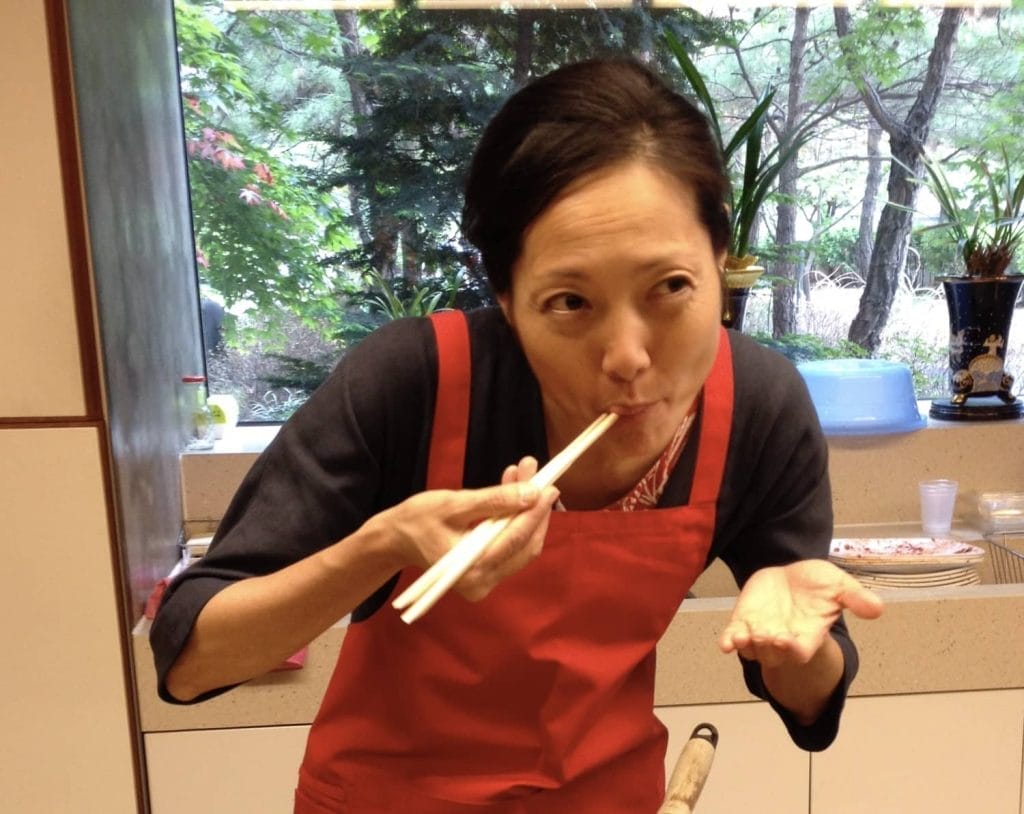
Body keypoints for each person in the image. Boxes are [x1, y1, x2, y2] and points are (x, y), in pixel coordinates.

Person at [151, 58, 884, 813]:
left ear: (722, 264)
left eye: (670, 287)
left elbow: (809, 708)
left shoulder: (758, 408)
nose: (628, 357)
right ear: (505, 297)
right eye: (570, 302)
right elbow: (190, 661)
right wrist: (385, 545)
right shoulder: (414, 382)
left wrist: (801, 648)